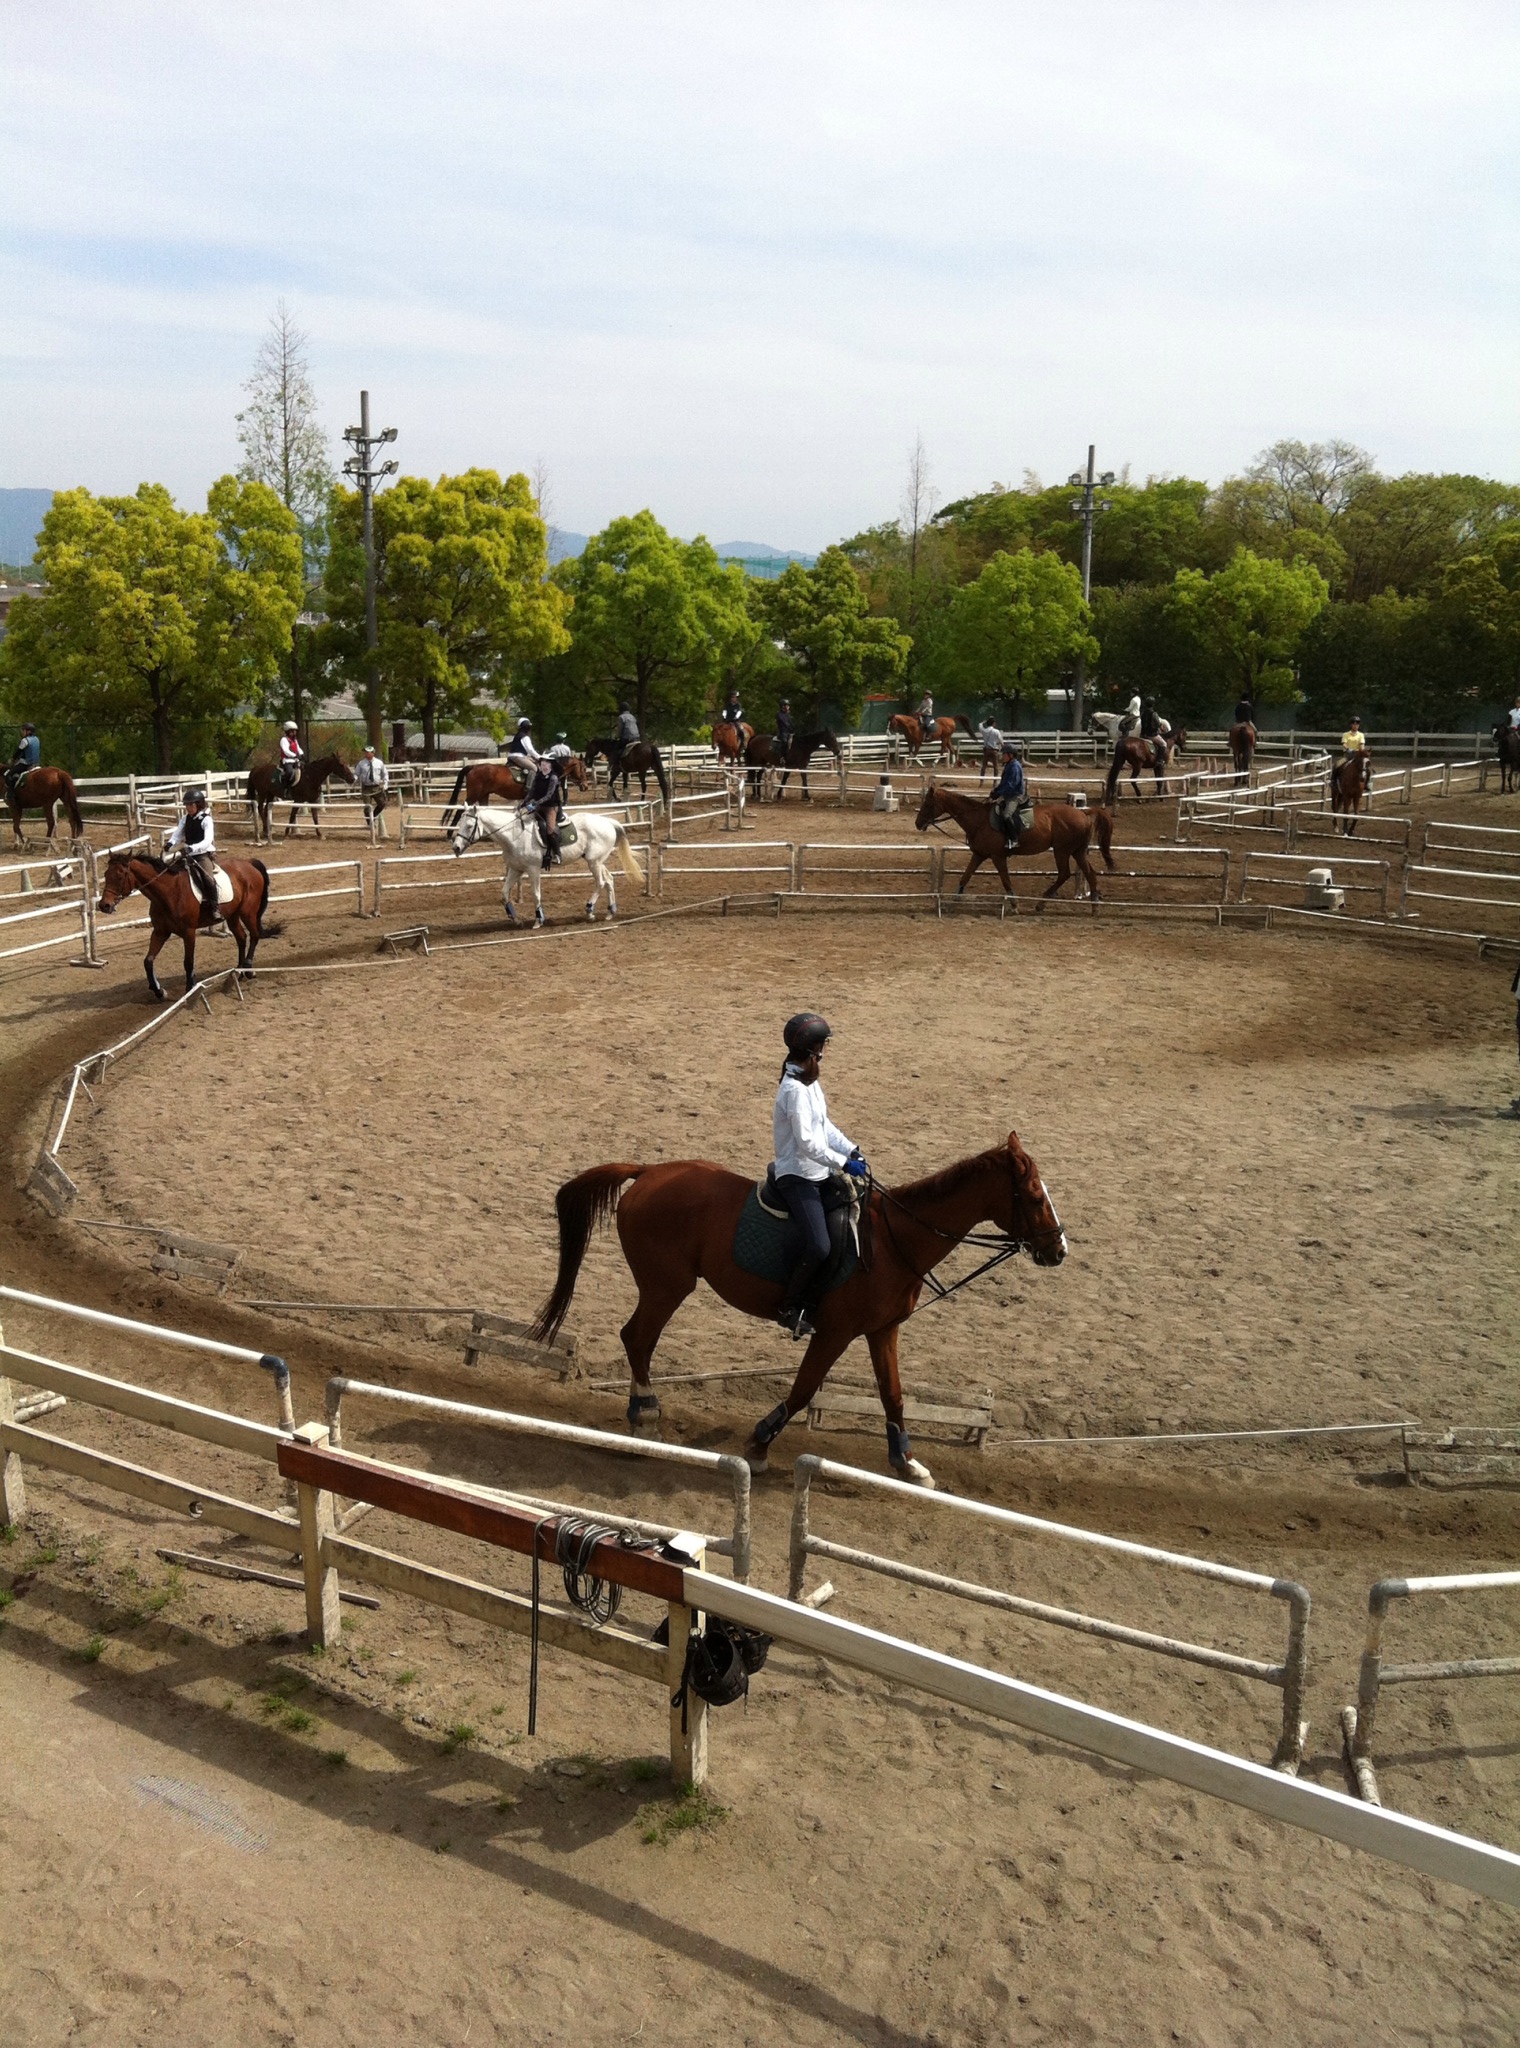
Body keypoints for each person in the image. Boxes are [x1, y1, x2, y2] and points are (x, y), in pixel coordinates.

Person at [771, 1013, 868, 1339]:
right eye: (824, 1044)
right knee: (819, 1245)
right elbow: (807, 1143)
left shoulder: (809, 1081)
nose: (826, 1049)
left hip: (819, 1171)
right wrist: (843, 1163)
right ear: (814, 1050)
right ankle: (789, 1308)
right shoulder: (794, 1090)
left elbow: (824, 1127)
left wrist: (851, 1149)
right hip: (797, 1176)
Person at [163, 788, 220, 919]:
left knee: (208, 878)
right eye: (187, 805)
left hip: (201, 854)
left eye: (191, 804)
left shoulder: (206, 820)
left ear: (198, 804)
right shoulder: (185, 819)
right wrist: (170, 843)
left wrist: (192, 848)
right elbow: (177, 834)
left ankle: (215, 907)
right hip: (186, 854)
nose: (188, 808)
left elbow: (207, 841)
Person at [523, 753, 563, 865]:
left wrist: (535, 804)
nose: (544, 765)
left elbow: (549, 795)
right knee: (522, 816)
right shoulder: (538, 776)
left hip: (551, 807)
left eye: (546, 763)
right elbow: (532, 791)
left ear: (551, 765)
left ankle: (557, 854)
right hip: (538, 805)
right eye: (542, 763)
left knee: (550, 829)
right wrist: (524, 803)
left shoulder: (553, 777)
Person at [991, 741, 1032, 842]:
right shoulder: (1009, 765)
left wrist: (999, 793)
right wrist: (996, 790)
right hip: (1008, 794)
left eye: (1004, 754)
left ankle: (1014, 839)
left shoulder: (1015, 767)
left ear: (1011, 755)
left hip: (1015, 796)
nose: (1002, 756)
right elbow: (1004, 783)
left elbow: (1011, 785)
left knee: (1006, 815)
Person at [6, 722, 40, 801]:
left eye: (23, 730)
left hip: (26, 764)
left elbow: (18, 752)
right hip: (36, 764)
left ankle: (11, 794)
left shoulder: (25, 740)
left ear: (28, 731)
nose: (22, 732)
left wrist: (12, 760)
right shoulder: (37, 739)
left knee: (9, 774)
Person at [277, 720, 304, 791]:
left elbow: (298, 748)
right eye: (292, 731)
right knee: (289, 772)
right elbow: (286, 751)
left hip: (295, 760)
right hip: (287, 761)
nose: (294, 732)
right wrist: (295, 755)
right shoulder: (284, 740)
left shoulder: (295, 740)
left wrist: (301, 754)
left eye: (295, 731)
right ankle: (285, 788)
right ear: (288, 731)